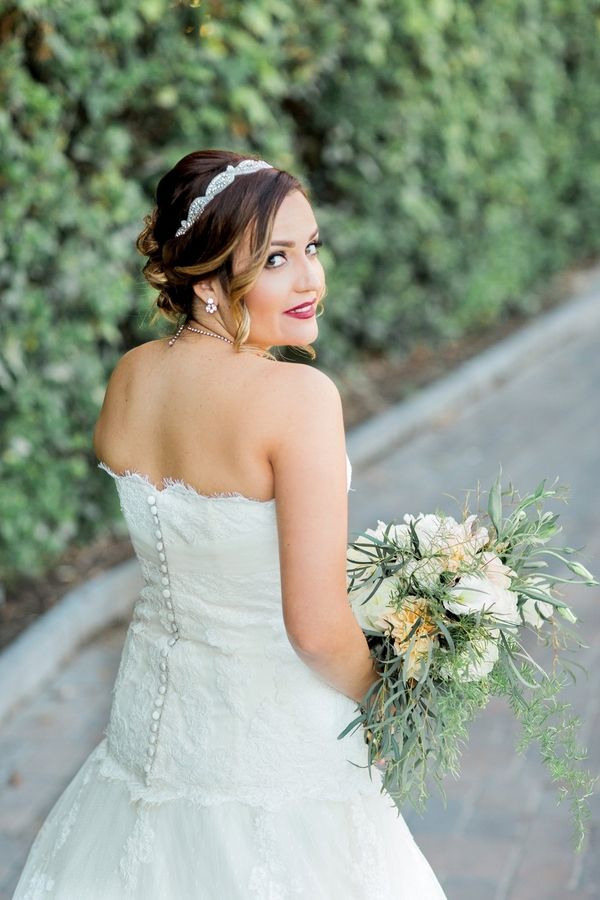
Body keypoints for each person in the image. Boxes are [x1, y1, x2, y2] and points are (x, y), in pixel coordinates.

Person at [13, 150, 447, 898]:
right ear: (208, 281)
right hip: (275, 744)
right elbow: (314, 627)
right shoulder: (298, 399)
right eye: (276, 258)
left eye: (311, 248)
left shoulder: (132, 378)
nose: (310, 279)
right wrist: (389, 702)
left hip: (148, 734)